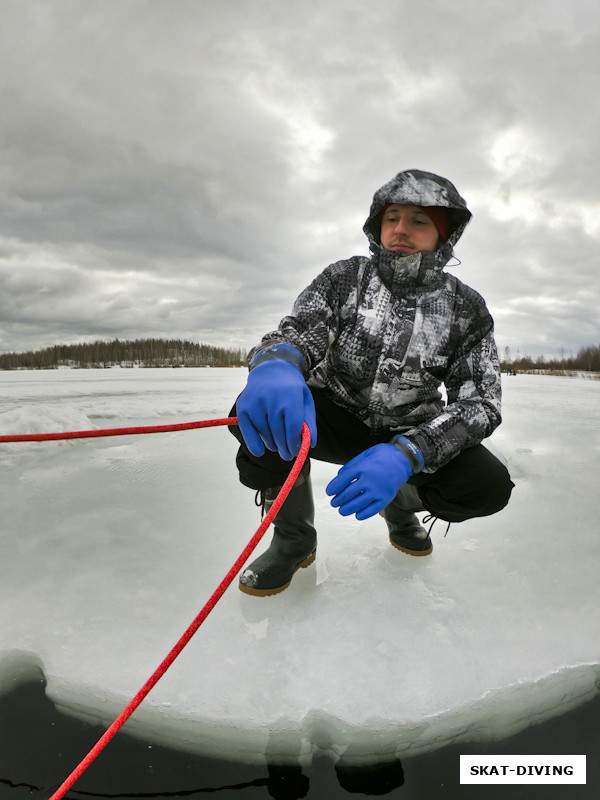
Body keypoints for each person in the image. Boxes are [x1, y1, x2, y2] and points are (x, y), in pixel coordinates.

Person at [229, 168, 514, 596]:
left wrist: (410, 453)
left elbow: (482, 402)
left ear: (444, 234)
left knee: (486, 486)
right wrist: (278, 362)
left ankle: (401, 506)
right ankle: (294, 539)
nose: (400, 229)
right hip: (335, 414)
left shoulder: (467, 309)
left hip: (410, 431)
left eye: (419, 221)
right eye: (392, 217)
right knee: (255, 417)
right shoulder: (346, 277)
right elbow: (300, 330)